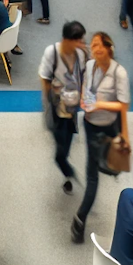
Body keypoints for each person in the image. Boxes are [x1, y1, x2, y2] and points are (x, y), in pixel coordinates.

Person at [73, 31, 131, 243]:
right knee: (92, 176)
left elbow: (123, 106)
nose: (95, 49)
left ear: (109, 47)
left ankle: (102, 163)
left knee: (113, 163)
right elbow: (85, 87)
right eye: (93, 45)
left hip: (110, 125)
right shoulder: (90, 66)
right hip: (91, 126)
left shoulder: (119, 73)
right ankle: (80, 219)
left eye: (99, 45)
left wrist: (99, 104)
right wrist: (83, 99)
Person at [40, 20, 88, 193]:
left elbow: (83, 76)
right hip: (56, 110)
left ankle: (66, 170)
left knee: (65, 145)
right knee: (60, 152)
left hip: (72, 109)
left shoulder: (81, 55)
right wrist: (50, 99)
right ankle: (69, 173)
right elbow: (44, 78)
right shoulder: (51, 53)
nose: (81, 44)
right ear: (66, 39)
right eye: (78, 41)